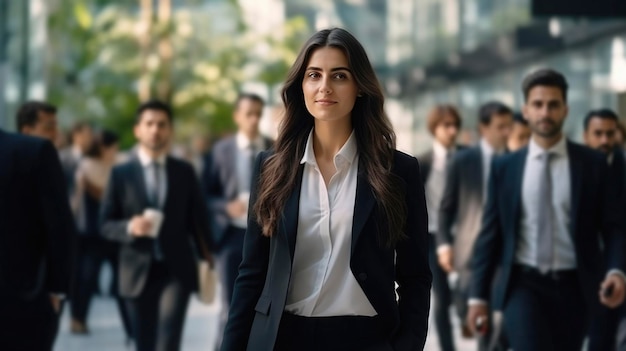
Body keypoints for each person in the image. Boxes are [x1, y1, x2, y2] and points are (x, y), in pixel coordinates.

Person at [220, 28, 431, 351]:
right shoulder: (271, 168)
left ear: (359, 86)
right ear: (301, 85)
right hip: (283, 337)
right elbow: (251, 273)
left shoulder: (398, 171)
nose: (324, 87)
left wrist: (407, 345)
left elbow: (415, 275)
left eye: (340, 76)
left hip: (366, 339)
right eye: (314, 75)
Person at [467, 68, 626, 351]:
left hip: (577, 287)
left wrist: (616, 271)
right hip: (523, 285)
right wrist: (478, 297)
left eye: (553, 105)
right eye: (538, 105)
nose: (545, 112)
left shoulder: (593, 165)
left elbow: (614, 227)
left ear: (565, 109)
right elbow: (490, 235)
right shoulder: (505, 168)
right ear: (526, 110)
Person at [100, 100, 213, 351]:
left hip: (176, 271)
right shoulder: (121, 173)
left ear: (170, 129)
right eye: (149, 124)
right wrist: (130, 227)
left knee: (168, 343)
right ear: (138, 129)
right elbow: (104, 224)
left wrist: (210, 253)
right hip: (135, 271)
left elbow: (199, 219)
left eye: (162, 124)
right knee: (144, 343)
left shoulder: (184, 171)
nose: (155, 130)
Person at [437, 101, 513, 351]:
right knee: (475, 320)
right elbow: (445, 208)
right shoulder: (462, 160)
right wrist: (444, 245)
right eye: (500, 127)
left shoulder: (515, 162)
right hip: (470, 255)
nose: (506, 133)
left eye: (508, 127)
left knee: (498, 325)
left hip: (505, 256)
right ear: (484, 128)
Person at [202, 93, 273, 350]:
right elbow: (204, 195)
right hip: (230, 236)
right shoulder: (220, 152)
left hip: (267, 236)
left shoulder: (275, 148)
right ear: (237, 116)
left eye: (258, 114)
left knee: (264, 302)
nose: (254, 120)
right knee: (230, 303)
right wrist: (225, 206)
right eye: (248, 114)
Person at [0, 129, 76, 350]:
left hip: (20, 303)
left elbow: (59, 227)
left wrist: (56, 288)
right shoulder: (32, 150)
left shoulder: (33, 151)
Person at [69, 130, 133, 340]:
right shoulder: (87, 166)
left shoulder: (119, 163)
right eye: (113, 146)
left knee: (124, 281)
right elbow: (100, 194)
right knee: (86, 278)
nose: (116, 150)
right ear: (104, 147)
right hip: (91, 233)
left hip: (114, 231)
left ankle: (132, 329)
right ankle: (78, 319)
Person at [416, 104, 463, 351]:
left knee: (468, 294)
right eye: (447, 125)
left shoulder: (467, 157)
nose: (452, 131)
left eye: (455, 125)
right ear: (435, 129)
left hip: (465, 237)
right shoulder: (422, 163)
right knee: (442, 298)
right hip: (433, 237)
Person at [582, 108, 626, 351]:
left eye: (610, 133)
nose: (605, 141)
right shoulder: (577, 169)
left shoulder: (623, 166)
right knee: (598, 341)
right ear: (585, 135)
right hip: (589, 276)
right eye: (598, 133)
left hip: (623, 268)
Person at [58, 122, 94, 197]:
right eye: (87, 134)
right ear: (76, 135)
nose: (90, 138)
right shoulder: (62, 157)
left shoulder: (93, 158)